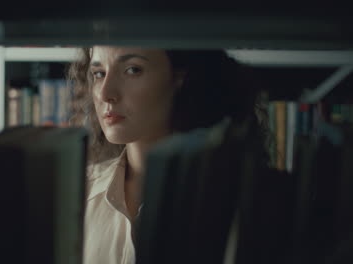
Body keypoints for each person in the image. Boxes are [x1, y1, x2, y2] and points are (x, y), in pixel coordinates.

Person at [68, 46, 270, 264]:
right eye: (99, 73)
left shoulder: (245, 200)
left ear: (180, 77)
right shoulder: (75, 192)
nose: (106, 94)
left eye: (133, 70)